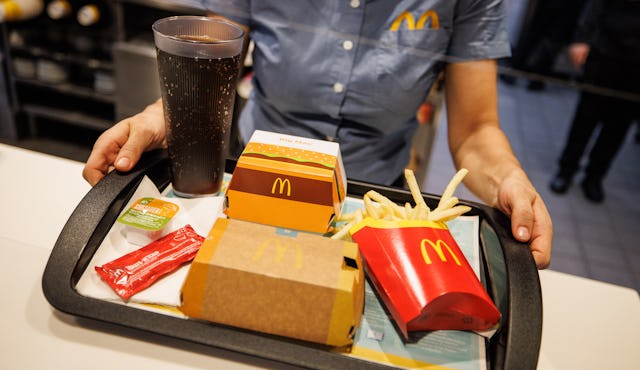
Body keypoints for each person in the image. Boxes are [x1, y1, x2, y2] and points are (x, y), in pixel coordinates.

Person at [83, 0, 553, 269]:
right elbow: (206, 69)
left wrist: (509, 179)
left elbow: (475, 131)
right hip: (255, 185)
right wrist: (153, 119)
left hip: (367, 206)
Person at [550, 0, 640, 202]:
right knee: (586, 116)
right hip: (606, 49)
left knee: (619, 126)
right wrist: (582, 38)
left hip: (637, 64)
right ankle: (566, 168)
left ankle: (595, 176)